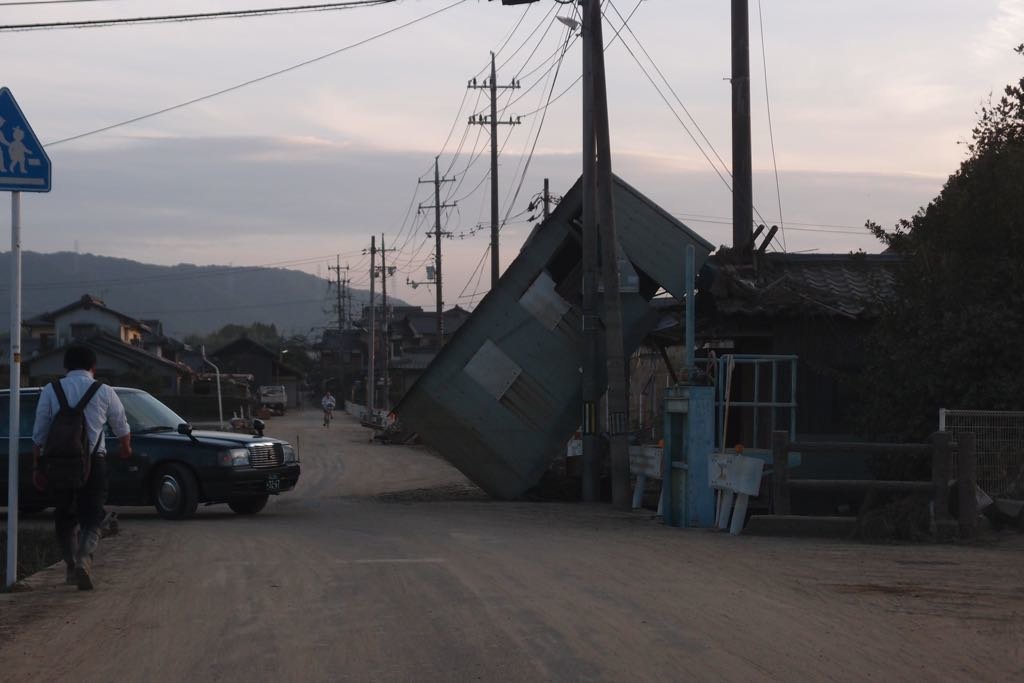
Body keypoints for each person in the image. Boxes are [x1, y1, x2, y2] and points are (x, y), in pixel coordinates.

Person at [31, 345, 131, 590]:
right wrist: (126, 448)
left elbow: (39, 433)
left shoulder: (50, 390)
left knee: (64, 515)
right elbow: (121, 425)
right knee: (92, 515)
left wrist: (37, 466)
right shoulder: (104, 390)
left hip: (58, 463)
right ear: (93, 367)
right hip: (93, 461)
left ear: (65, 367)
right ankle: (84, 559)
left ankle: (69, 566)